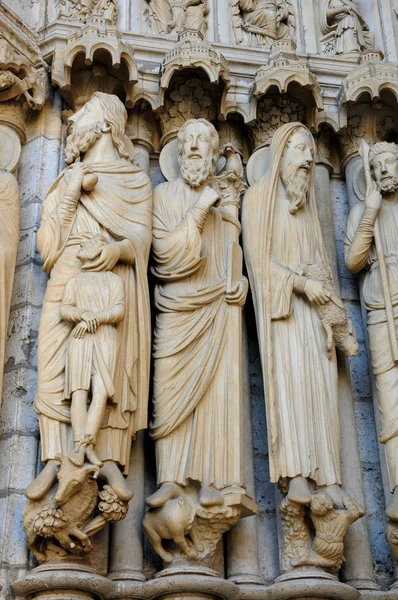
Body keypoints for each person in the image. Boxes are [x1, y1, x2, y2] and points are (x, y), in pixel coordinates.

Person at [26, 92, 152, 502]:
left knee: (108, 370)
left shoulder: (134, 181)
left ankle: (109, 457)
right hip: (68, 275)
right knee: (53, 365)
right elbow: (47, 249)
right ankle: (55, 457)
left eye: (83, 114)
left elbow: (144, 241)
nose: (72, 120)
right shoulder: (65, 180)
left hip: (112, 279)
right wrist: (71, 193)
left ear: (105, 125)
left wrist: (115, 251)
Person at [242, 123, 345, 507]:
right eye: (301, 150)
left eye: (311, 152)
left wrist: (332, 313)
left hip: (313, 316)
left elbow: (321, 266)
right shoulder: (257, 201)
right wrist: (301, 285)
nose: (308, 159)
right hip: (282, 317)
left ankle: (329, 474)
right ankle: (297, 474)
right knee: (291, 388)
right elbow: (258, 263)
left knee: (321, 392)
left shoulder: (309, 214)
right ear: (281, 152)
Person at [147, 118, 248, 510]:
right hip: (177, 308)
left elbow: (230, 256)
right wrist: (200, 210)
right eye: (187, 141)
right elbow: (165, 256)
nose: (193, 147)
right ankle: (171, 478)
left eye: (202, 141)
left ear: (212, 153)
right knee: (168, 393)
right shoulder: (164, 196)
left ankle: (212, 478)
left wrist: (240, 283)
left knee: (215, 393)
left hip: (215, 310)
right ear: (177, 151)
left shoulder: (224, 208)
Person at [345, 142, 398, 520]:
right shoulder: (367, 212)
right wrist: (370, 213)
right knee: (389, 400)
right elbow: (352, 260)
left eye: (390, 162)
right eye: (376, 165)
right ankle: (397, 484)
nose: (383, 170)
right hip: (382, 309)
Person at [61, 235, 125, 468]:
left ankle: (88, 443)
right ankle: (79, 444)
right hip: (79, 337)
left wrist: (95, 317)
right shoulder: (75, 281)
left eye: (87, 243)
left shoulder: (113, 280)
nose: (81, 245)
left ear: (100, 249)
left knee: (100, 391)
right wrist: (83, 314)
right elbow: (66, 308)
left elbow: (119, 310)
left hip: (106, 337)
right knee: (79, 390)